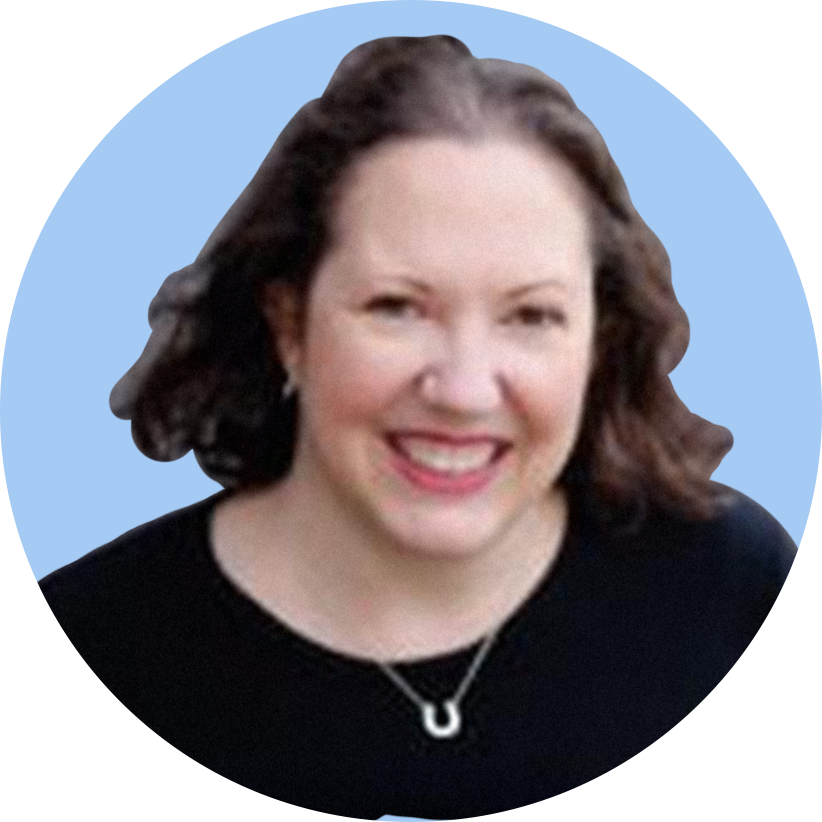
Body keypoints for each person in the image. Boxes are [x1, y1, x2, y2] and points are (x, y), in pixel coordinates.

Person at [38, 35, 799, 819]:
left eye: (532, 315)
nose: (464, 390)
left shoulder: (738, 596)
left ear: (598, 343)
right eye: (396, 307)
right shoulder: (71, 657)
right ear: (290, 323)